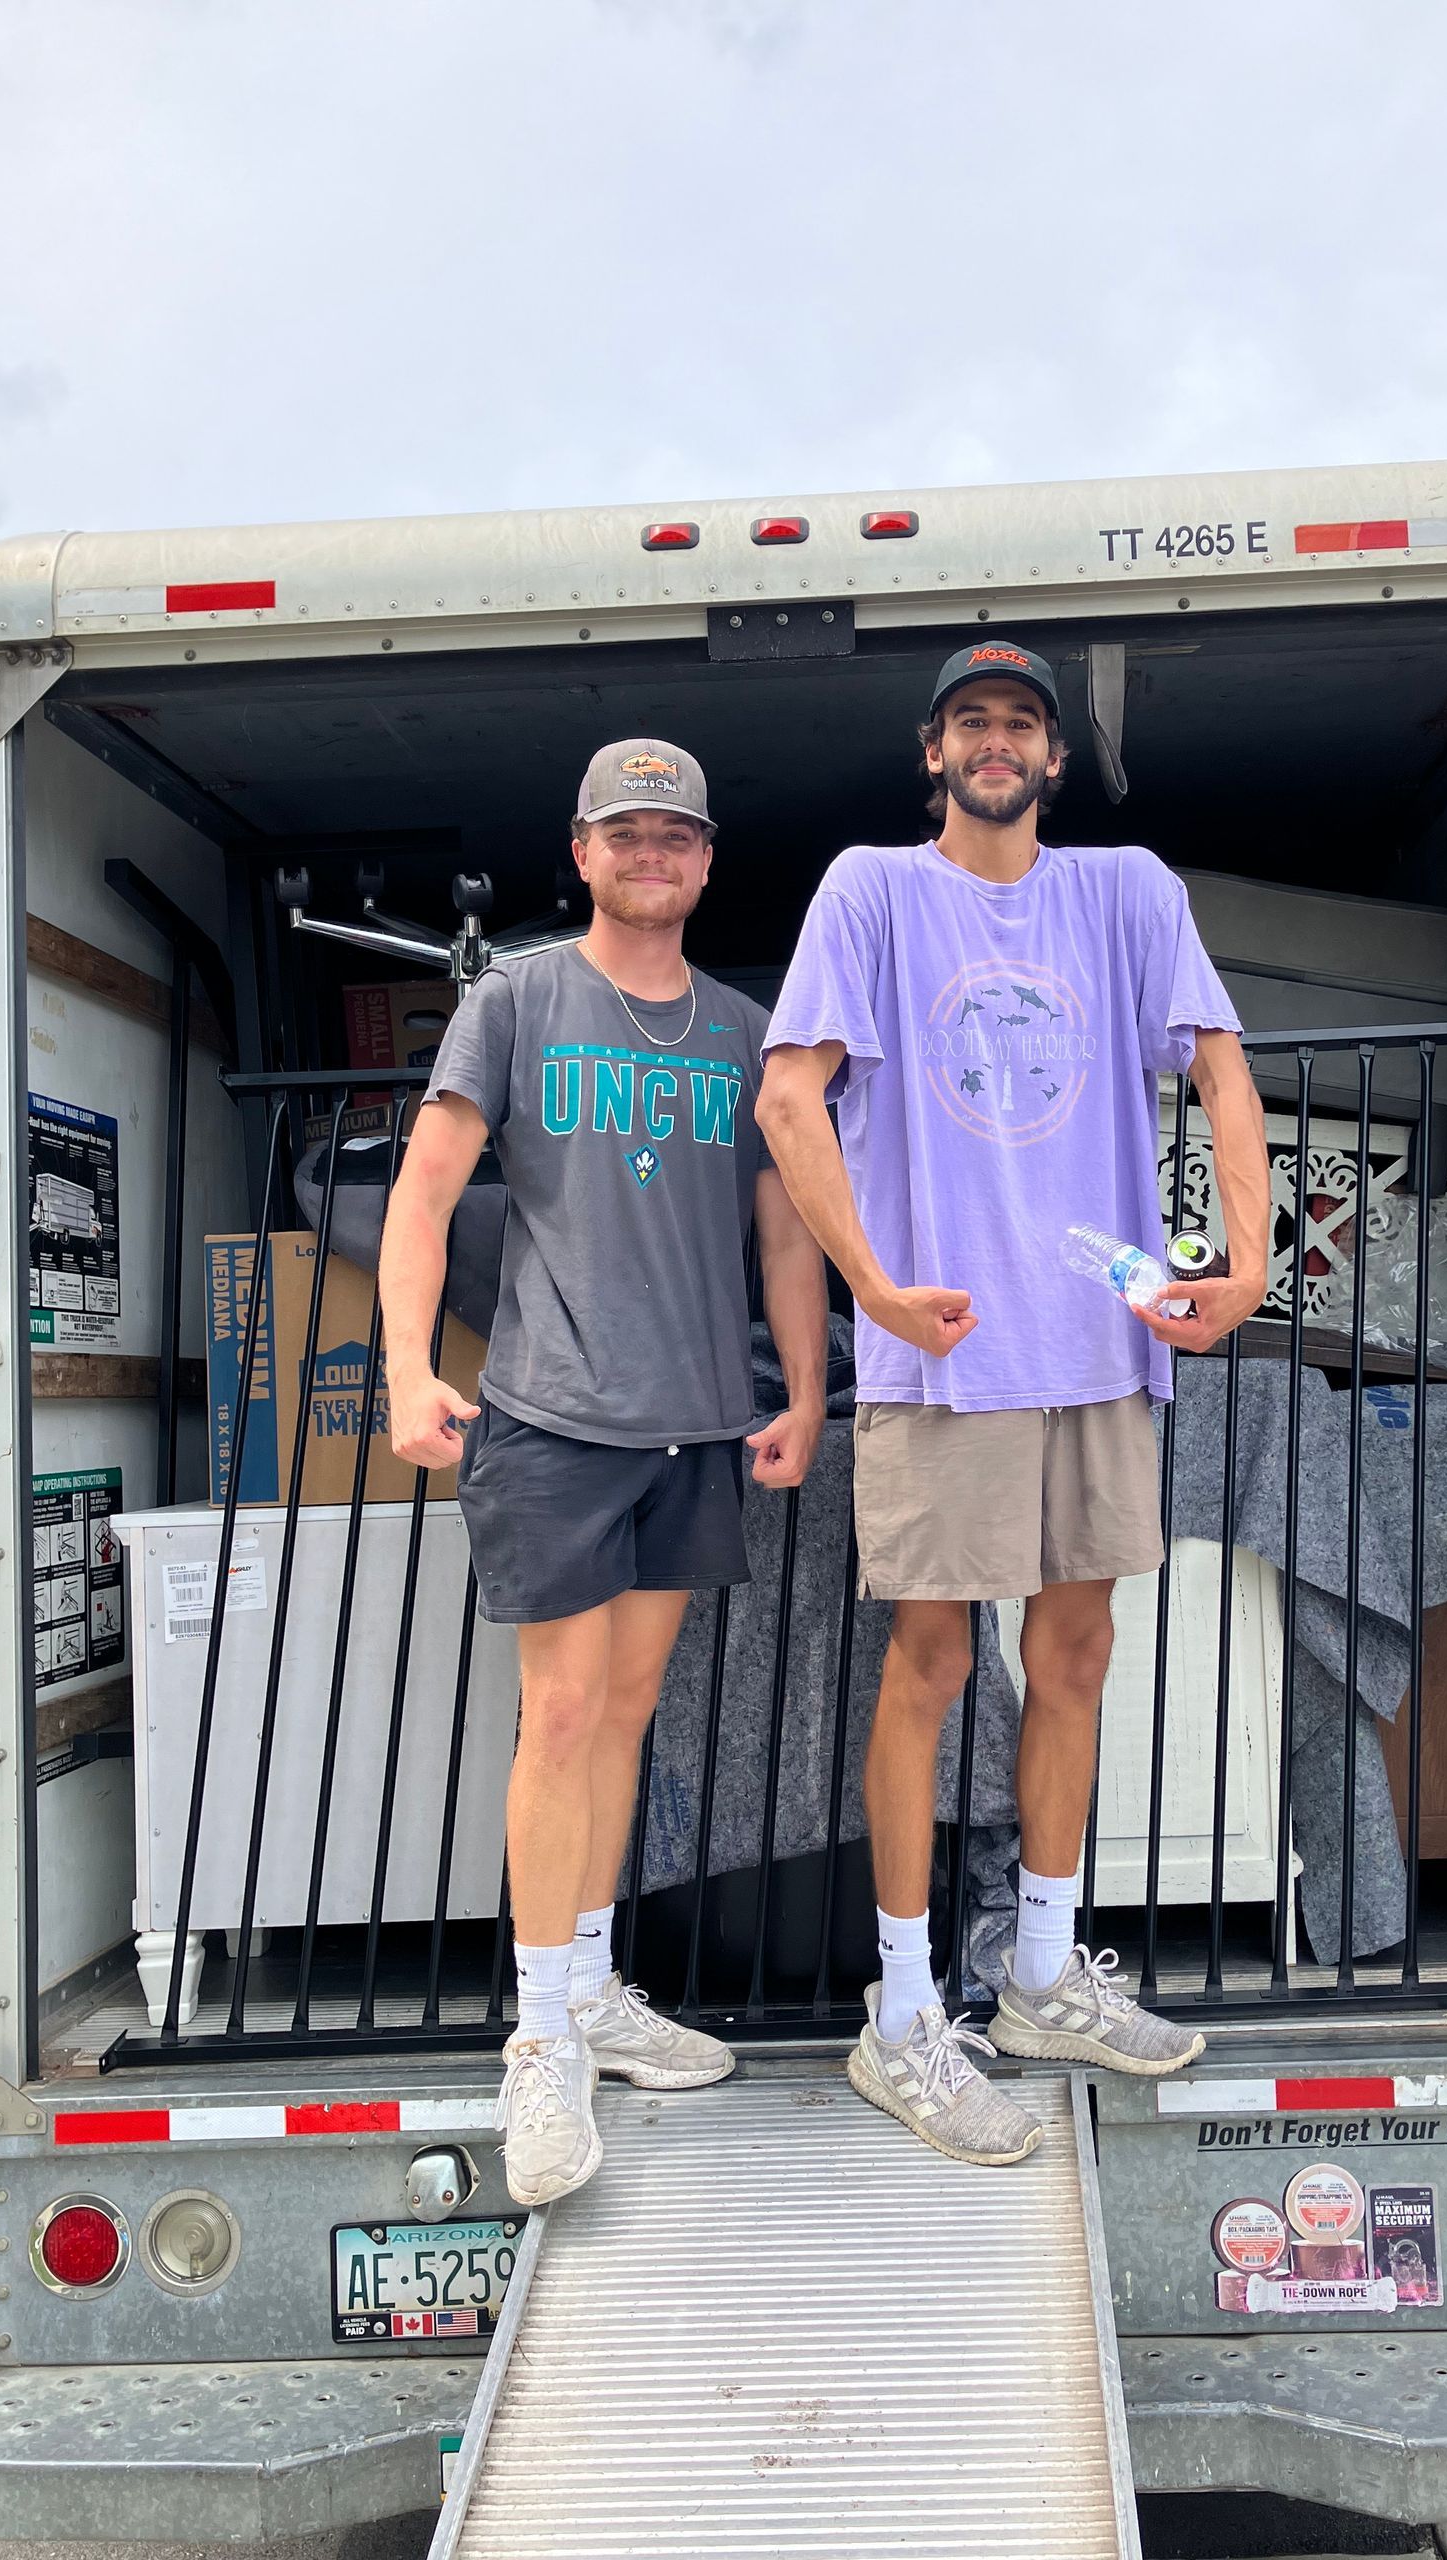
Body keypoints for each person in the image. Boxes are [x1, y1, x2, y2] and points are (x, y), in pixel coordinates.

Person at [757, 643, 1271, 2165]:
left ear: (1055, 758)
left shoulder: (1129, 893)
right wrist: (879, 1289)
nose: (998, 743)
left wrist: (1242, 1262)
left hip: (1101, 1345)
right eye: (973, 721)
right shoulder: (871, 890)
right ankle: (904, 2015)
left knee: (1079, 1648)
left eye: (1023, 724)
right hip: (946, 1354)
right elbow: (791, 1098)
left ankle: (1041, 1971)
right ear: (936, 752)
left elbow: (1225, 1072)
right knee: (928, 1663)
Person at [382, 738, 827, 2206]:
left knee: (627, 1714)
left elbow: (781, 1234)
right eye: (626, 831)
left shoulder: (745, 1030)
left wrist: (806, 1390)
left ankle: (588, 1989)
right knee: (560, 1716)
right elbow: (426, 1193)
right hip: (555, 1422)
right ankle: (538, 2043)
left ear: (705, 864)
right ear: (580, 851)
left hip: (696, 1423)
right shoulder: (514, 1000)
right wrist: (402, 1366)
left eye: (677, 836)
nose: (653, 854)